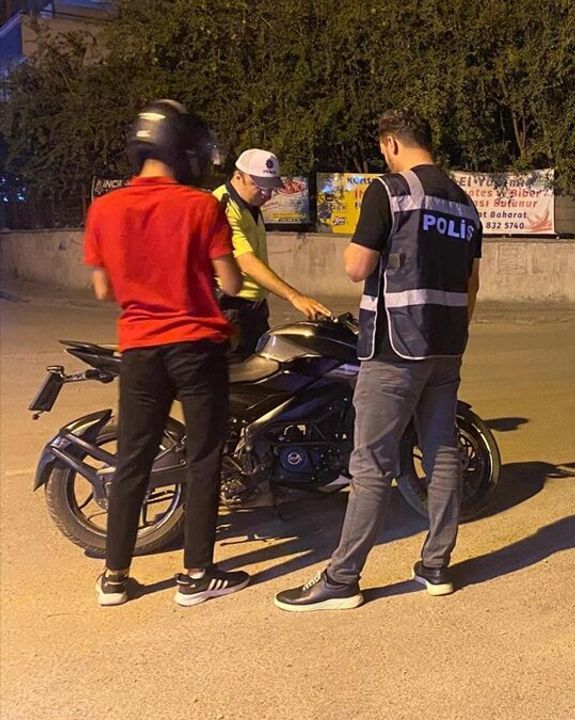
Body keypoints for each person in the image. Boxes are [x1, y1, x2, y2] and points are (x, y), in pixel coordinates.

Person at [274, 108, 482, 612]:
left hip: (395, 348)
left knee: (370, 463)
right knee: (442, 451)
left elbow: (356, 267)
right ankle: (436, 566)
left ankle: (342, 579)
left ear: (391, 143)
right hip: (446, 346)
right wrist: (453, 331)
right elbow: (472, 284)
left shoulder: (389, 192)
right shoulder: (464, 203)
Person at [84, 99, 251, 607]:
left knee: (133, 459)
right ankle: (197, 575)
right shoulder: (201, 206)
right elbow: (232, 281)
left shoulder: (104, 208)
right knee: (203, 457)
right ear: (182, 148)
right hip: (197, 347)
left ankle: (115, 577)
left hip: (139, 348)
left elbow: (102, 290)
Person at [213, 149, 330, 359]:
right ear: (238, 176)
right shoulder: (224, 207)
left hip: (254, 309)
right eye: (260, 187)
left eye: (270, 188)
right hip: (230, 310)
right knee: (238, 373)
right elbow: (246, 261)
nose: (266, 195)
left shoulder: (249, 204)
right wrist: (294, 296)